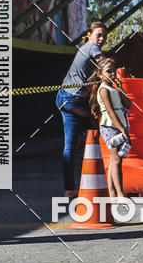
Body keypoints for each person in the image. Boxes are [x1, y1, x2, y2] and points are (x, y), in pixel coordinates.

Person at [56, 21, 106, 197]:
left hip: (64, 98)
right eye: (98, 34)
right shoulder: (92, 47)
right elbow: (105, 65)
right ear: (89, 34)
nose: (101, 39)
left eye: (104, 36)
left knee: (70, 146)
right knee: (102, 126)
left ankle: (70, 189)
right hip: (73, 100)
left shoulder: (84, 49)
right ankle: (105, 180)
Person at [89, 56, 132, 199]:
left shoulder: (114, 88)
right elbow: (111, 112)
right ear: (100, 74)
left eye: (113, 71)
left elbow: (128, 104)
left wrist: (120, 88)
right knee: (116, 160)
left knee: (116, 160)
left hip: (119, 125)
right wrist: (122, 129)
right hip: (110, 127)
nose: (112, 74)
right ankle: (120, 194)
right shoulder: (103, 90)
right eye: (108, 71)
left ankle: (112, 193)